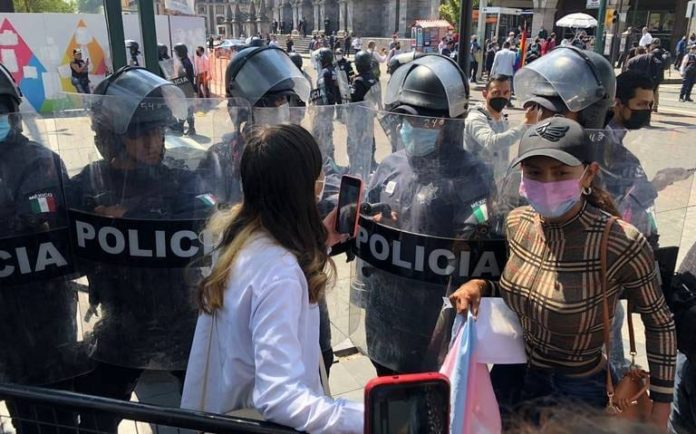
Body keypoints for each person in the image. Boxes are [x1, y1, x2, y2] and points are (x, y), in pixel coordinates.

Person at [449, 116, 677, 430]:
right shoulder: (518, 224)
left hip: (577, 389)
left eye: (560, 173)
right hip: (513, 373)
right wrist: (482, 286)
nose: (546, 183)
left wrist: (661, 408)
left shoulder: (619, 241)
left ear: (588, 174)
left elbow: (659, 320)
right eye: (534, 173)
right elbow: (528, 287)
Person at [181, 124, 362, 432]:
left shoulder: (236, 238)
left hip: (226, 410)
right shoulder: (281, 275)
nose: (321, 189)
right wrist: (363, 417)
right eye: (317, 181)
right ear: (299, 192)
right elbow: (279, 398)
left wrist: (322, 240)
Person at [70, 66, 216, 433]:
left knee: (213, 414)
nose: (154, 142)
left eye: (158, 131)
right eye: (141, 134)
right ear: (114, 137)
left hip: (181, 321)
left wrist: (132, 214)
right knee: (94, 419)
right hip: (121, 322)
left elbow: (202, 214)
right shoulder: (89, 183)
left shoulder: (178, 178)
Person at [356, 54, 495, 376]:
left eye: (425, 121)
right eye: (406, 119)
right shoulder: (390, 165)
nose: (412, 128)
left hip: (433, 321)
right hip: (384, 319)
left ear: (450, 122)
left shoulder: (471, 175)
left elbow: (474, 246)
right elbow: (367, 225)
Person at [0, 62, 87, 434]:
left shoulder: (40, 162)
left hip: (46, 324)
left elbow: (58, 229)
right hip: (8, 328)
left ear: (13, 111)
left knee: (52, 421)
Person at [464, 74, 535, 181]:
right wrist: (525, 125)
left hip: (496, 180)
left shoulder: (501, 117)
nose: (501, 96)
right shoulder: (476, 117)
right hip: (475, 180)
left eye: (505, 93)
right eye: (496, 93)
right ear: (485, 93)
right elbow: (491, 143)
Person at [173, 43, 196, 135]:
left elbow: (186, 78)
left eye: (175, 52)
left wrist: (175, 82)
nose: (175, 54)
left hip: (186, 91)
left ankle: (185, 128)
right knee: (186, 109)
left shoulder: (185, 63)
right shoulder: (185, 61)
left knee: (185, 109)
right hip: (185, 90)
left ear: (179, 52)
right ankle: (189, 128)